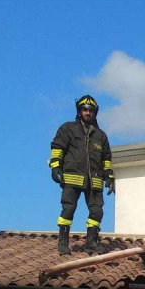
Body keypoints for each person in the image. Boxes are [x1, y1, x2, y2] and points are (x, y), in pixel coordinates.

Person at [48, 95, 115, 255]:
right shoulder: (68, 129)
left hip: (95, 180)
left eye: (91, 110)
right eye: (84, 109)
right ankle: (63, 244)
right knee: (68, 209)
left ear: (95, 113)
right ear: (79, 111)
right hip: (72, 177)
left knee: (97, 211)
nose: (88, 113)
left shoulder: (101, 136)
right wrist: (55, 167)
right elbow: (57, 148)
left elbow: (106, 158)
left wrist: (109, 176)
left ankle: (91, 243)